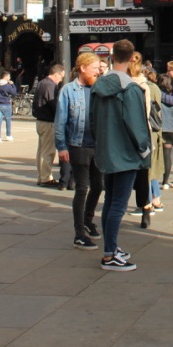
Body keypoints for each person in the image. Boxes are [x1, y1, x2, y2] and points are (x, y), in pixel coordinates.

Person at [90, 39, 151, 272]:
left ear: (112, 56)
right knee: (118, 204)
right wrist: (144, 149)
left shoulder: (99, 85)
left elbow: (92, 120)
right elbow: (136, 124)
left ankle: (111, 248)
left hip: (106, 150)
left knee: (110, 201)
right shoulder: (130, 88)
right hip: (126, 153)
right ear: (132, 57)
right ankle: (109, 254)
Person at [55, 53, 103, 250]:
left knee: (98, 186)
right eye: (95, 68)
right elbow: (60, 120)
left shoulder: (99, 89)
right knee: (82, 188)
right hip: (78, 145)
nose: (98, 71)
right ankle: (79, 234)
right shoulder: (68, 90)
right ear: (83, 68)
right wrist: (61, 147)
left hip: (98, 146)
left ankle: (88, 220)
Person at [129, 53, 164, 228]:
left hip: (134, 136)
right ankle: (148, 205)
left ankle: (146, 204)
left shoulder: (134, 86)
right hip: (145, 134)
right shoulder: (146, 86)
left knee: (139, 173)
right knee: (146, 172)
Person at [32, 64, 65, 187]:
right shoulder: (51, 85)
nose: (61, 80)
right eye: (61, 77)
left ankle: (41, 176)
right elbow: (53, 104)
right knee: (48, 151)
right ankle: (45, 178)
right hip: (48, 121)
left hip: (40, 120)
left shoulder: (42, 82)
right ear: (56, 74)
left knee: (41, 150)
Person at [0, 70, 16, 142]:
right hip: (6, 103)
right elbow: (14, 93)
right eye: (9, 76)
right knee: (8, 120)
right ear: (5, 77)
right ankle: (8, 135)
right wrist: (13, 85)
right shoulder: (7, 86)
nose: (9, 78)